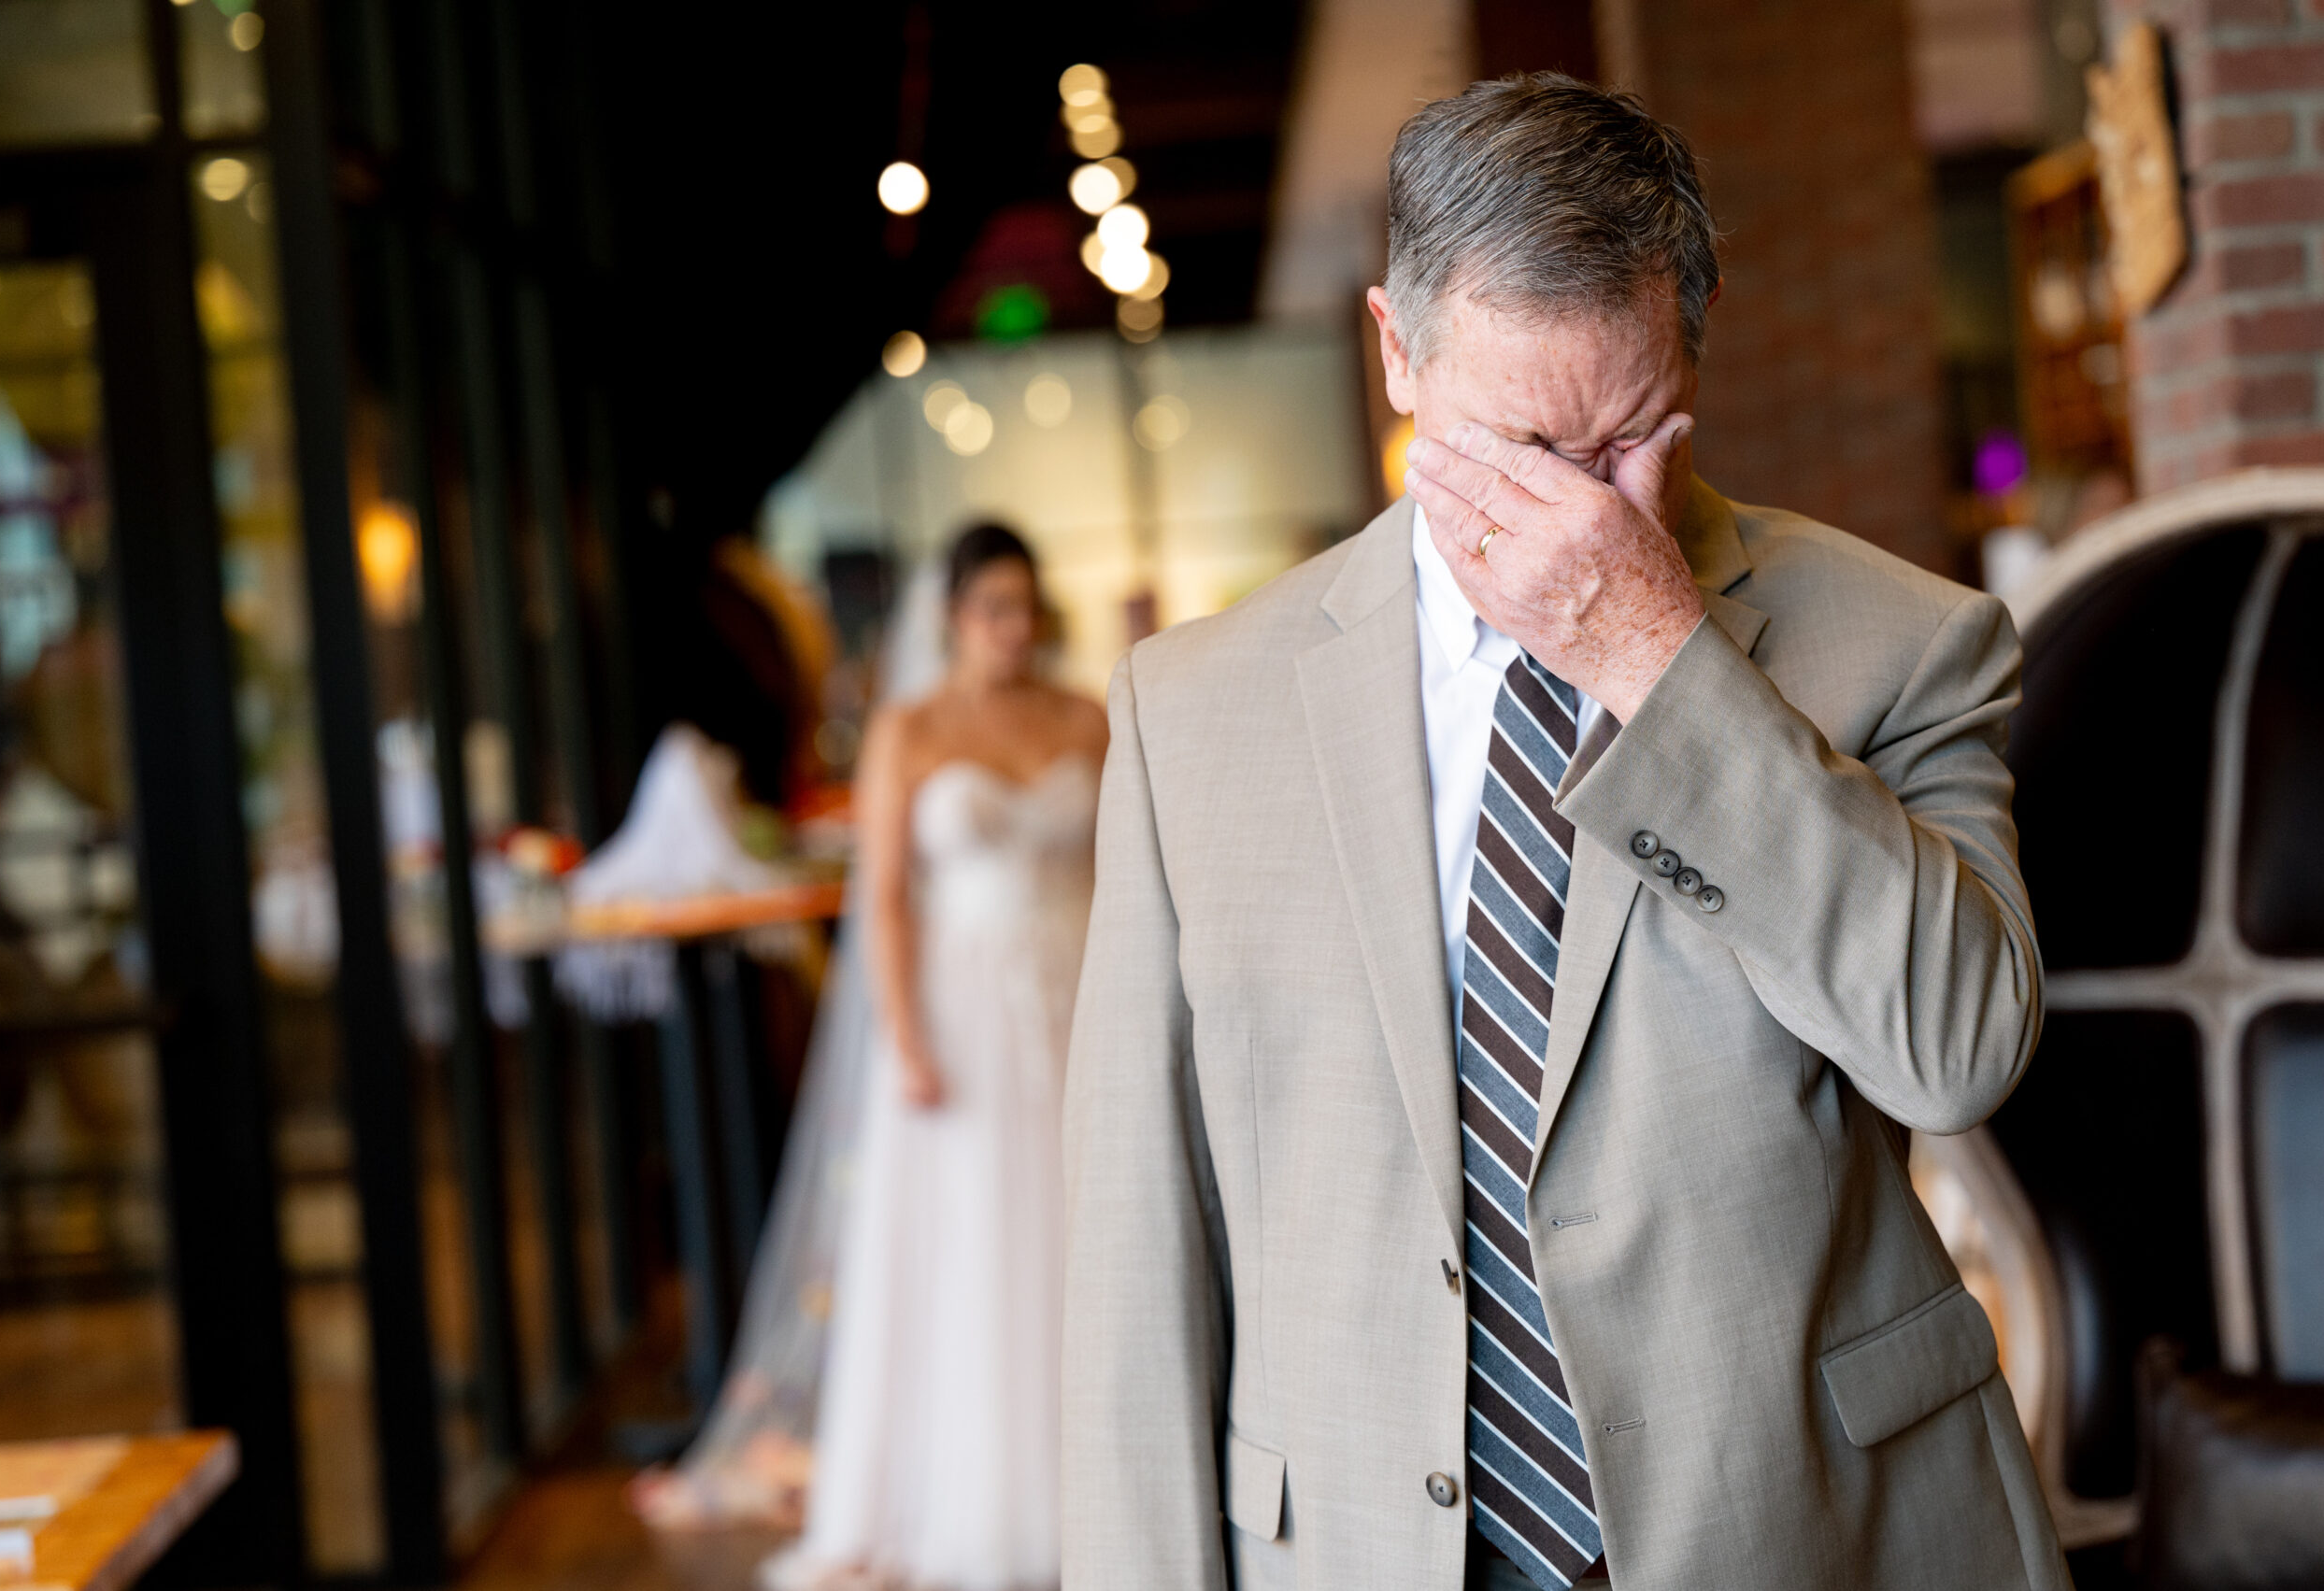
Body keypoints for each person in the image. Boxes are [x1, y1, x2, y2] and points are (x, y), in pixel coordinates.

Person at [1061, 76, 2066, 1591]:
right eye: (1521, 451)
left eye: (1626, 448)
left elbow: (1958, 1046)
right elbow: (1139, 1238)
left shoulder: (1903, 644)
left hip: (1804, 1529)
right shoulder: (1192, 710)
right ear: (1398, 350)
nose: (1579, 520)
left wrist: (1665, 665)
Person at [720, 521, 1103, 1591]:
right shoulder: (909, 729)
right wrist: (906, 1037)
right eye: (992, 608)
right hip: (962, 1008)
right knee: (976, 1237)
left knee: (1077, 1232)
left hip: (1075, 992)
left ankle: (1097, 1488)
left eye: (1026, 606)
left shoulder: (1085, 717)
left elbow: (1124, 867)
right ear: (952, 615)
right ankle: (975, 1497)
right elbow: (882, 896)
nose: (1013, 628)